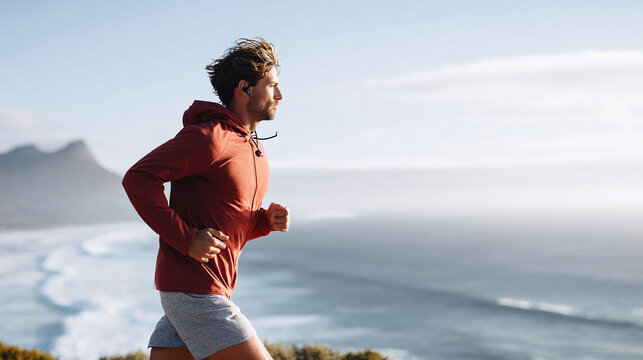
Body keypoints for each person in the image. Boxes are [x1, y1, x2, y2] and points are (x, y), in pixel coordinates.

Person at [122, 37, 289, 360]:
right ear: (246, 88)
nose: (280, 95)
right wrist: (186, 240)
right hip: (196, 291)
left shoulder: (252, 148)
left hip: (204, 287)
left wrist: (262, 222)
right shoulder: (211, 138)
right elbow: (138, 178)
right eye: (272, 85)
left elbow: (224, 223)